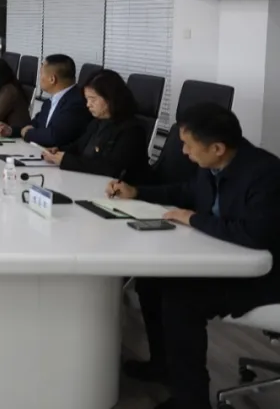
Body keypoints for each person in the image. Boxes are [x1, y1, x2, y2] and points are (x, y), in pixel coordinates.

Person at [106, 105, 280, 409]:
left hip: (265, 275)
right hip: (227, 260)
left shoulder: (265, 174)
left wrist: (193, 219)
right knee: (151, 281)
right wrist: (137, 192)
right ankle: (163, 366)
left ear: (217, 148)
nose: (184, 152)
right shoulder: (214, 164)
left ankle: (191, 401)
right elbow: (187, 192)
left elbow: (255, 235)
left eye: (188, 145)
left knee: (182, 300)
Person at [41, 70, 149, 181]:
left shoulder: (132, 130)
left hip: (118, 188)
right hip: (90, 181)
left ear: (110, 98)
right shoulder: (97, 121)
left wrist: (66, 160)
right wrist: (58, 150)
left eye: (93, 99)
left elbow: (111, 168)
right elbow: (80, 146)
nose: (88, 104)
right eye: (87, 99)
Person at [0, 54, 92, 144]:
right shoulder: (50, 102)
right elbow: (34, 125)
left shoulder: (77, 102)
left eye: (41, 73)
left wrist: (27, 133)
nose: (39, 78)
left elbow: (55, 136)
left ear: (52, 79)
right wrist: (11, 130)